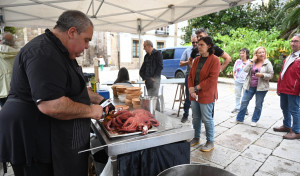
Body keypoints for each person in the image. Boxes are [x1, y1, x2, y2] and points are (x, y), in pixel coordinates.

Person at [0, 10, 106, 176]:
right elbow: (51, 105)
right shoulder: (43, 53)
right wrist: (92, 111)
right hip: (30, 134)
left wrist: (99, 99)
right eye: (86, 40)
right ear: (72, 32)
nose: (87, 47)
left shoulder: (61, 52)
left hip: (44, 131)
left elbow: (72, 88)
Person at [188, 36, 220, 152]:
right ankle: (196, 137)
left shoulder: (215, 60)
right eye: (198, 45)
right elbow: (191, 75)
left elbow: (212, 79)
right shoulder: (196, 60)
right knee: (195, 117)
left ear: (209, 46)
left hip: (207, 94)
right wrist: (191, 88)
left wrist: (196, 88)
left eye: (201, 45)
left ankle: (210, 141)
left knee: (207, 119)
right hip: (194, 94)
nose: (198, 47)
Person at [236, 46, 274, 127]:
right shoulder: (252, 61)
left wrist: (262, 75)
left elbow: (271, 75)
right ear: (255, 54)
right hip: (250, 86)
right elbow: (245, 70)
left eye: (263, 52)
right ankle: (240, 118)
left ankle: (254, 120)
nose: (262, 54)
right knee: (244, 102)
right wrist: (251, 61)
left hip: (261, 87)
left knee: (258, 104)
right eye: (259, 52)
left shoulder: (267, 63)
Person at [273, 33, 300, 139]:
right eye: (292, 41)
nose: (293, 43)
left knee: (295, 110)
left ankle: (297, 131)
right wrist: (279, 87)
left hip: (294, 89)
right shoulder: (289, 56)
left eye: (296, 41)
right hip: (284, 88)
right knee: (284, 107)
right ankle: (287, 126)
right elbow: (282, 73)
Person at [139, 40, 163, 111]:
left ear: (149, 46)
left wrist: (155, 78)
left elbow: (160, 66)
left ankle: (158, 113)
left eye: (144, 46)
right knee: (150, 97)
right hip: (148, 81)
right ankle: (151, 113)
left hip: (155, 81)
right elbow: (142, 69)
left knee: (155, 97)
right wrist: (144, 77)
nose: (144, 48)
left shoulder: (158, 54)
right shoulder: (146, 56)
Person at [179, 34, 198, 123]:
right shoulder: (187, 50)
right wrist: (189, 61)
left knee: (197, 96)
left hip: (198, 77)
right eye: (193, 42)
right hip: (189, 76)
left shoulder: (202, 50)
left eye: (196, 42)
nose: (194, 44)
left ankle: (196, 115)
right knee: (188, 96)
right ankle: (185, 114)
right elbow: (181, 63)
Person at [0, 32, 19, 107]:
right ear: (13, 42)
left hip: (1, 91)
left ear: (1, 41)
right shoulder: (19, 53)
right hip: (15, 88)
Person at [231, 48, 250, 114]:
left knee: (245, 96)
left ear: (247, 54)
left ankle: (245, 109)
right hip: (238, 81)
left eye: (243, 53)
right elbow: (234, 71)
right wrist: (234, 78)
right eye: (241, 53)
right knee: (237, 95)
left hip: (246, 82)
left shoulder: (249, 62)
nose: (241, 54)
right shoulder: (237, 61)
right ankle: (237, 107)